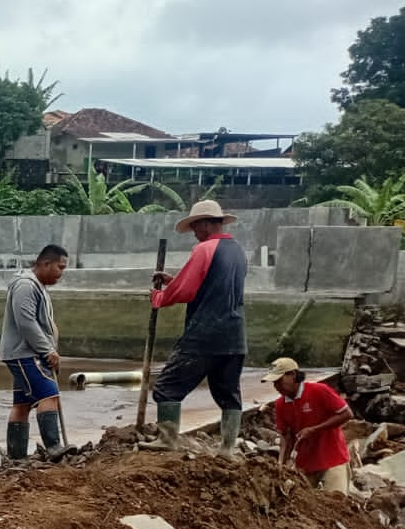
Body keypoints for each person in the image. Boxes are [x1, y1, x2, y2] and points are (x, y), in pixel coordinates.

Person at [141, 200, 248, 455]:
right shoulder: (238, 251)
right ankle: (227, 449)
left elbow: (186, 290)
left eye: (196, 228)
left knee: (167, 387)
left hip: (206, 333)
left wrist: (159, 298)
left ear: (207, 224)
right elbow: (212, 284)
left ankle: (167, 440)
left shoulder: (204, 249)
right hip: (234, 335)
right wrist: (174, 280)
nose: (195, 234)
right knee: (228, 393)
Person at [0, 243, 71, 460]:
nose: (61, 273)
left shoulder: (37, 286)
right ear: (45, 263)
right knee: (49, 395)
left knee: (22, 403)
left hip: (25, 353)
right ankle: (54, 447)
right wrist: (47, 350)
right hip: (25, 353)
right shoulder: (26, 286)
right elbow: (26, 323)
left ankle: (16, 456)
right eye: (60, 267)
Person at [265, 356, 354, 493]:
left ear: (293, 375)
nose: (276, 386)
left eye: (278, 381)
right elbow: (286, 436)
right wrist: (281, 463)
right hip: (305, 464)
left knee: (338, 502)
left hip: (332, 458)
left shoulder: (318, 390)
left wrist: (315, 429)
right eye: (274, 383)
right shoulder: (280, 405)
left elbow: (347, 414)